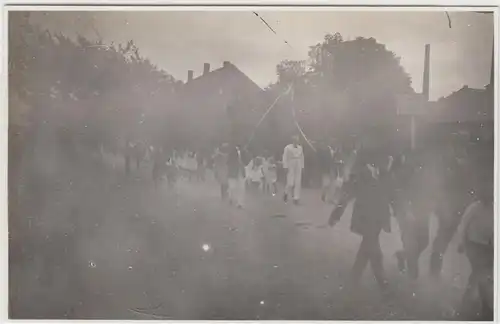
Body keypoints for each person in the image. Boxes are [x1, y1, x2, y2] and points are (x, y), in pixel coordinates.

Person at [329, 150, 393, 293]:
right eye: (384, 157)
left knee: (366, 248)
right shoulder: (360, 174)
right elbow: (346, 195)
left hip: (378, 218)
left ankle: (353, 279)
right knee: (373, 249)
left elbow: (389, 195)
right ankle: (382, 281)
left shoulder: (383, 173)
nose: (387, 160)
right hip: (365, 217)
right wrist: (336, 215)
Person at [456, 184, 493, 320]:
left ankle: (471, 302)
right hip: (474, 245)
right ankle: (483, 307)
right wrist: (461, 242)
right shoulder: (474, 208)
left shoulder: (495, 208)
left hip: (489, 247)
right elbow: (463, 224)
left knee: (484, 274)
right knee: (480, 273)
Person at [283, 135, 305, 205]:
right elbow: (285, 157)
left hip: (298, 163)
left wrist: (302, 166)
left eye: (297, 140)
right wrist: (285, 166)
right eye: (294, 140)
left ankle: (296, 198)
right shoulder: (287, 147)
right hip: (291, 163)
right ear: (292, 140)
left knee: (298, 181)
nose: (296, 141)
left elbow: (302, 157)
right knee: (290, 182)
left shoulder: (300, 148)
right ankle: (286, 193)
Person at [227, 143, 247, 209]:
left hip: (240, 173)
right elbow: (228, 163)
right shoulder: (231, 155)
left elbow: (246, 161)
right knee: (232, 188)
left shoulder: (243, 154)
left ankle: (240, 203)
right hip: (233, 173)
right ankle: (231, 198)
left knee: (241, 188)